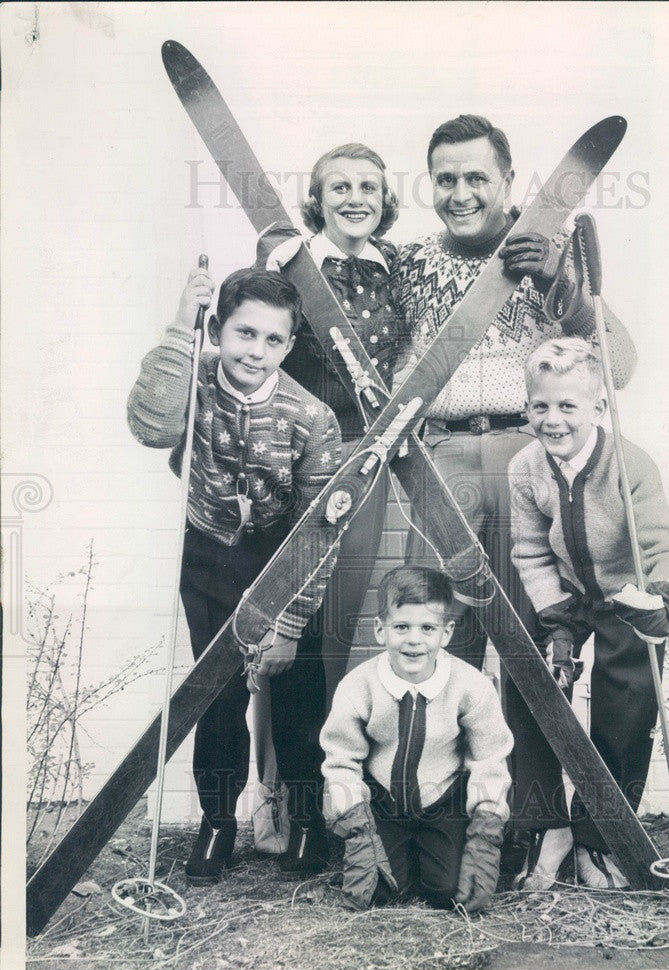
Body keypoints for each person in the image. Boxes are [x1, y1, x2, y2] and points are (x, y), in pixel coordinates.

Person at [393, 113, 638, 877]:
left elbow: (617, 366)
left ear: (508, 182)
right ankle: (447, 820)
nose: (462, 193)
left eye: (478, 178)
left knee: (532, 646)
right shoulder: (405, 266)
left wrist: (562, 278)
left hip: (530, 460)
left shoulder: (542, 256)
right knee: (436, 643)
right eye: (446, 178)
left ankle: (533, 821)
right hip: (438, 463)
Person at [127, 267, 342, 882]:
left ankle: (305, 822)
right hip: (211, 560)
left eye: (273, 341)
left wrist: (291, 622)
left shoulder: (311, 416)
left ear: (289, 345)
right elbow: (150, 427)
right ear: (218, 329)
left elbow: (320, 531)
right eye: (244, 333)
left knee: (300, 698)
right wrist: (177, 327)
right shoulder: (190, 381)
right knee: (217, 699)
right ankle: (218, 821)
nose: (256, 351)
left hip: (287, 560)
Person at [250, 143, 407, 856]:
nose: (354, 198)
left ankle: (335, 808)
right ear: (316, 198)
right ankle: (281, 807)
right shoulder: (289, 266)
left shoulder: (396, 270)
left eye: (367, 187)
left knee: (339, 631)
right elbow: (252, 339)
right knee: (289, 635)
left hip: (367, 465)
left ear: (384, 198)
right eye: (338, 186)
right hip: (298, 463)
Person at [508, 338, 669, 888]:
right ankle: (547, 825)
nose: (554, 420)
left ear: (598, 408)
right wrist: (556, 618)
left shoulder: (629, 463)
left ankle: (600, 837)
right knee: (530, 685)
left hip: (628, 596)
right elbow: (532, 549)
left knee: (625, 707)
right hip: (568, 594)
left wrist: (662, 599)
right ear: (527, 408)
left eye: (568, 406)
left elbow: (668, 546)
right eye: (541, 406)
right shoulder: (525, 466)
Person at [320, 566, 513, 912]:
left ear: (447, 632)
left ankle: (438, 852)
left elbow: (490, 760)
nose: (414, 640)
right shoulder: (358, 685)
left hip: (443, 803)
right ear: (380, 630)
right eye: (401, 627)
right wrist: (357, 830)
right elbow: (340, 761)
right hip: (384, 804)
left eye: (427, 628)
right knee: (378, 892)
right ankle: (393, 852)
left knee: (449, 891)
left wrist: (485, 832)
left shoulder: (471, 685)